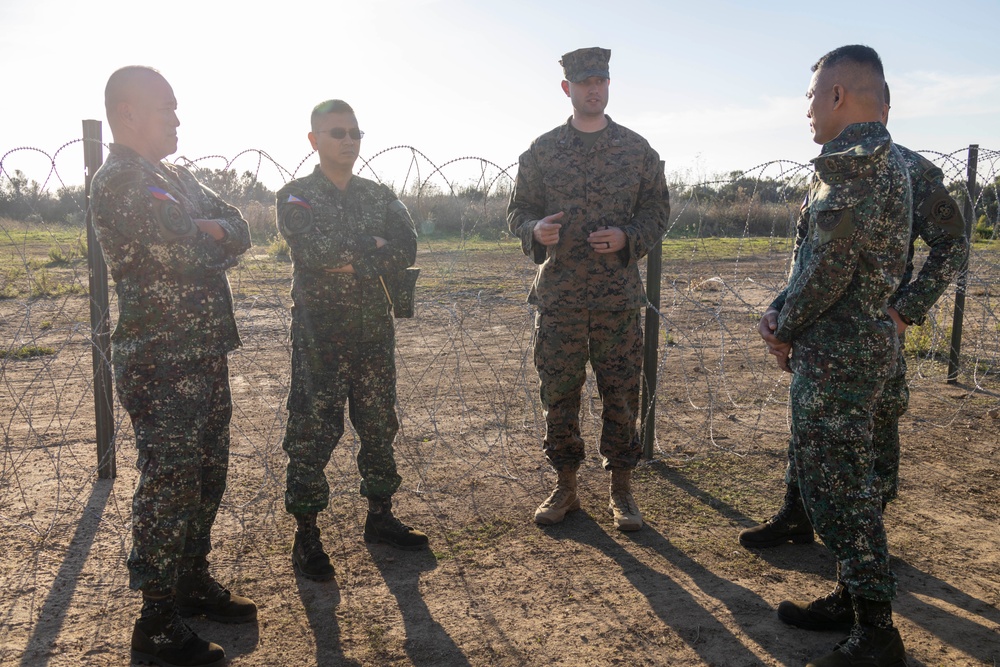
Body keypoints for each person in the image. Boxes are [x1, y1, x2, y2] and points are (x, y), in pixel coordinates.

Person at [740, 84, 969, 551]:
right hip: (822, 326)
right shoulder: (834, 161)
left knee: (870, 432)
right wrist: (782, 310)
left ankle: (862, 556)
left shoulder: (905, 169)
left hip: (868, 328)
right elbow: (811, 254)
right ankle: (797, 515)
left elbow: (953, 244)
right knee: (813, 425)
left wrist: (905, 309)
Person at [90, 66, 255, 667]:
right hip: (161, 358)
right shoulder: (120, 181)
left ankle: (191, 580)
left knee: (208, 472)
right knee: (169, 481)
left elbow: (238, 227)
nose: (178, 119)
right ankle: (156, 618)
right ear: (128, 113)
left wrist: (212, 231)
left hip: (203, 350)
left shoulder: (174, 177)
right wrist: (208, 236)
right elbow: (181, 250)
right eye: (167, 109)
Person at [756, 46, 912, 666]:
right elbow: (820, 261)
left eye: (812, 97)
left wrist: (782, 324)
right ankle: (851, 601)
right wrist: (784, 309)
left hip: (838, 357)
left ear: (839, 96)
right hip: (857, 347)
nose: (808, 111)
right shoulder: (890, 160)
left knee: (839, 490)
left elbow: (827, 270)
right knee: (849, 481)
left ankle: (877, 632)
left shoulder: (852, 166)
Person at [507, 48, 670, 531]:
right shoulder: (542, 151)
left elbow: (657, 211)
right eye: (584, 83)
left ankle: (622, 491)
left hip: (617, 299)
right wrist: (534, 230)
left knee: (620, 394)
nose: (593, 89)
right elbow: (517, 211)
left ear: (608, 84)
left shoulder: (637, 151)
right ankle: (566, 487)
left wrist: (628, 238)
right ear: (568, 90)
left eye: (600, 80)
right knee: (559, 394)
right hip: (559, 299)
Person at [275, 99, 427, 583]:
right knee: (313, 432)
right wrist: (373, 248)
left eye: (355, 133)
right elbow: (313, 251)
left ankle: (380, 517)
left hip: (371, 332)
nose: (348, 141)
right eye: (337, 132)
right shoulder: (295, 195)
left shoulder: (379, 196)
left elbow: (407, 247)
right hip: (320, 335)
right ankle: (307, 534)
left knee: (379, 425)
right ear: (314, 140)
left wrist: (357, 256)